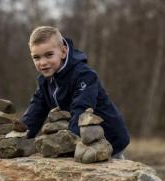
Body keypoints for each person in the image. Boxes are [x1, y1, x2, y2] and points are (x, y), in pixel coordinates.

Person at [22, 26, 130, 158]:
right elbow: (35, 111)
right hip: (80, 142)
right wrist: (20, 136)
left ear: (63, 52)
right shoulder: (45, 81)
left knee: (105, 175)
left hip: (109, 139)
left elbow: (81, 109)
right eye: (36, 57)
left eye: (49, 55)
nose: (43, 62)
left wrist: (67, 143)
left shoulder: (84, 75)